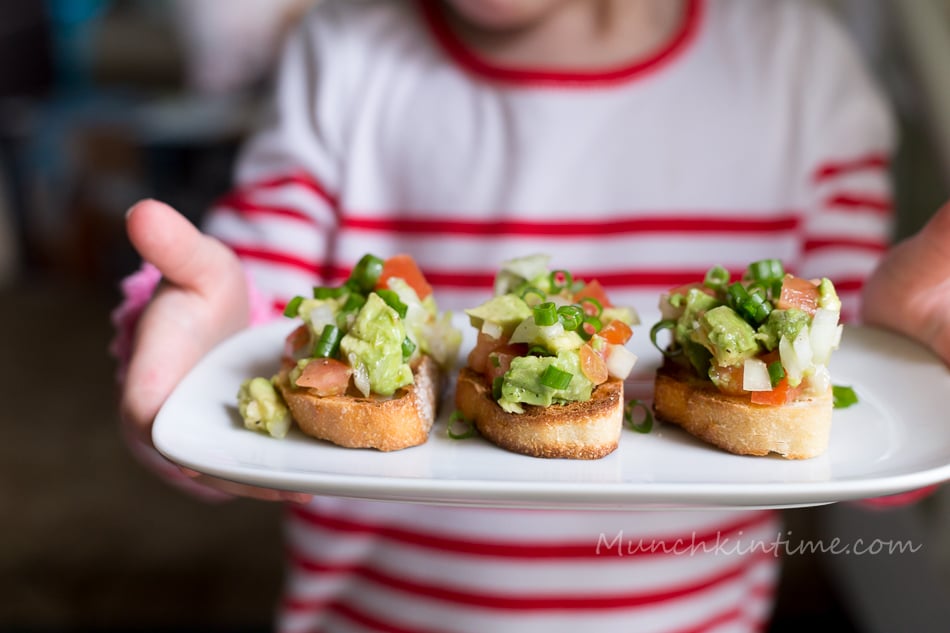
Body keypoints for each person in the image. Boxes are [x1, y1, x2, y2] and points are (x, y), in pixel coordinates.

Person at [112, 0, 948, 631]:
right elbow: (250, 332)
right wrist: (194, 349)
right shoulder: (338, 58)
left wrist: (914, 366)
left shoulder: (804, 71)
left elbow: (849, 442)